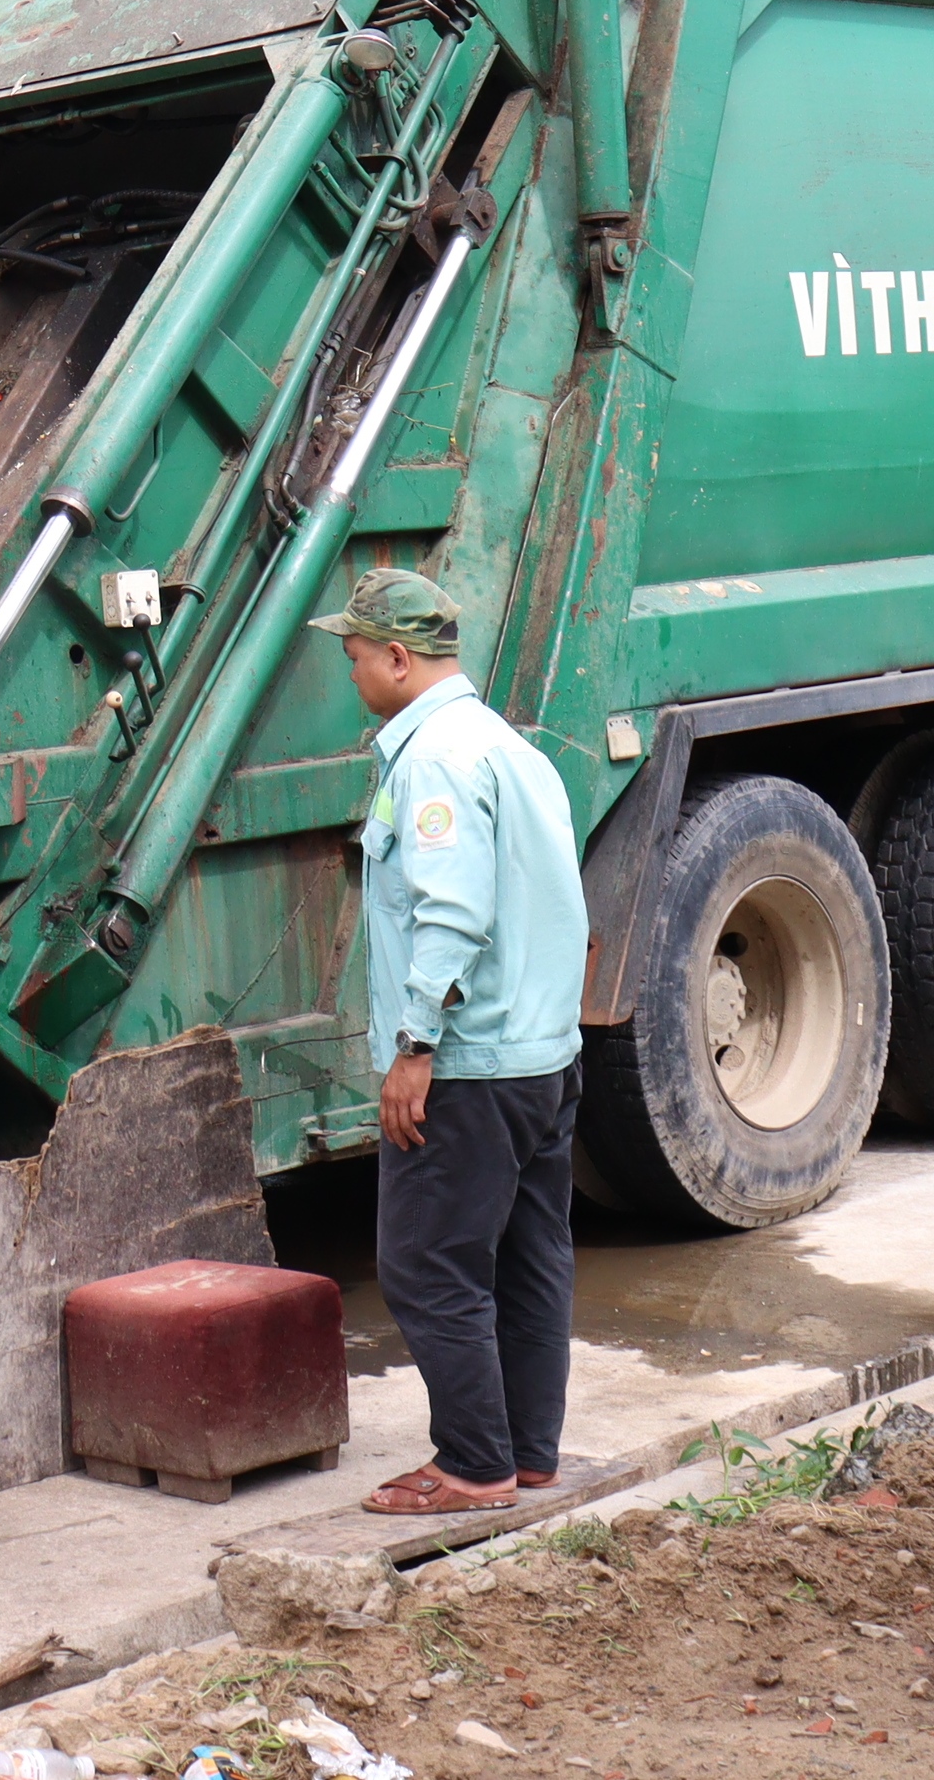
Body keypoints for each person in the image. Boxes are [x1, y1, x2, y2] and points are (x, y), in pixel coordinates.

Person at [307, 568, 590, 1516]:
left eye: (354, 656)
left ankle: (474, 1465)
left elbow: (453, 912)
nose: (350, 673)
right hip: (543, 1055)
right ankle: (529, 1453)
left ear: (398, 657)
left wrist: (414, 1043)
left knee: (428, 1262)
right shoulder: (511, 747)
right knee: (529, 1254)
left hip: (469, 1063)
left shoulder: (433, 760)